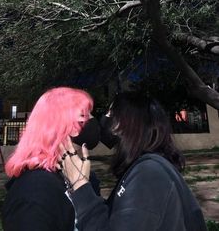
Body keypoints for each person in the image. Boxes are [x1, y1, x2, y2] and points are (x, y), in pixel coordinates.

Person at [61, 91, 207, 231]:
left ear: (129, 124)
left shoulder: (148, 174)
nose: (104, 120)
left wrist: (80, 186)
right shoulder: (146, 168)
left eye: (111, 114)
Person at [2, 86, 101, 231]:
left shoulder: (79, 176)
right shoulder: (33, 191)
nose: (92, 120)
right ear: (65, 126)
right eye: (84, 115)